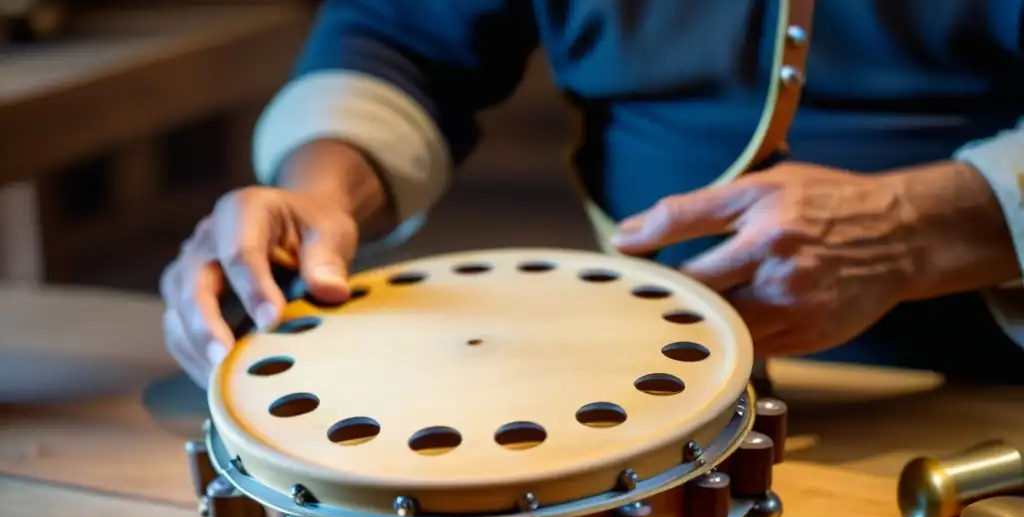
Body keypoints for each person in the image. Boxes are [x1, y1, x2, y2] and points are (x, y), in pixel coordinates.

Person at [160, 0, 1024, 388]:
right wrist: (319, 194)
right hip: (632, 374)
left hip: (976, 396)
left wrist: (923, 224)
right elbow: (399, 38)